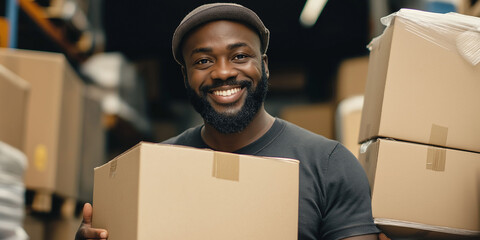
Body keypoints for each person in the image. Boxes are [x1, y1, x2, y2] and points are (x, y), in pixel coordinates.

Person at [76, 3, 389, 240]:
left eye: (239, 56)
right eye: (203, 61)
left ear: (264, 66)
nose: (223, 72)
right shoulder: (153, 171)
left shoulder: (329, 165)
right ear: (186, 76)